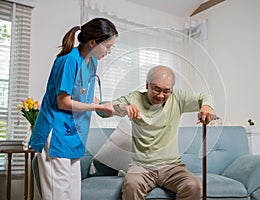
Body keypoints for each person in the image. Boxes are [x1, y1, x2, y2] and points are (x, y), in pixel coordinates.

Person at [29, 18, 132, 200]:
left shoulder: (92, 63)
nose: (109, 51)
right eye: (107, 46)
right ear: (93, 42)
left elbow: (85, 96)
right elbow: (63, 102)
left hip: (74, 136)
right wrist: (97, 107)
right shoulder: (69, 60)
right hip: (57, 135)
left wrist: (115, 108)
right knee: (57, 196)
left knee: (73, 196)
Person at [108, 65, 216, 200]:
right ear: (147, 85)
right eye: (157, 89)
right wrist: (123, 107)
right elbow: (103, 110)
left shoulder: (177, 98)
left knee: (194, 186)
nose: (161, 96)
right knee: (132, 185)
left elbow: (205, 97)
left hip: (171, 167)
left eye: (166, 91)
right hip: (142, 167)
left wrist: (207, 106)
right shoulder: (134, 98)